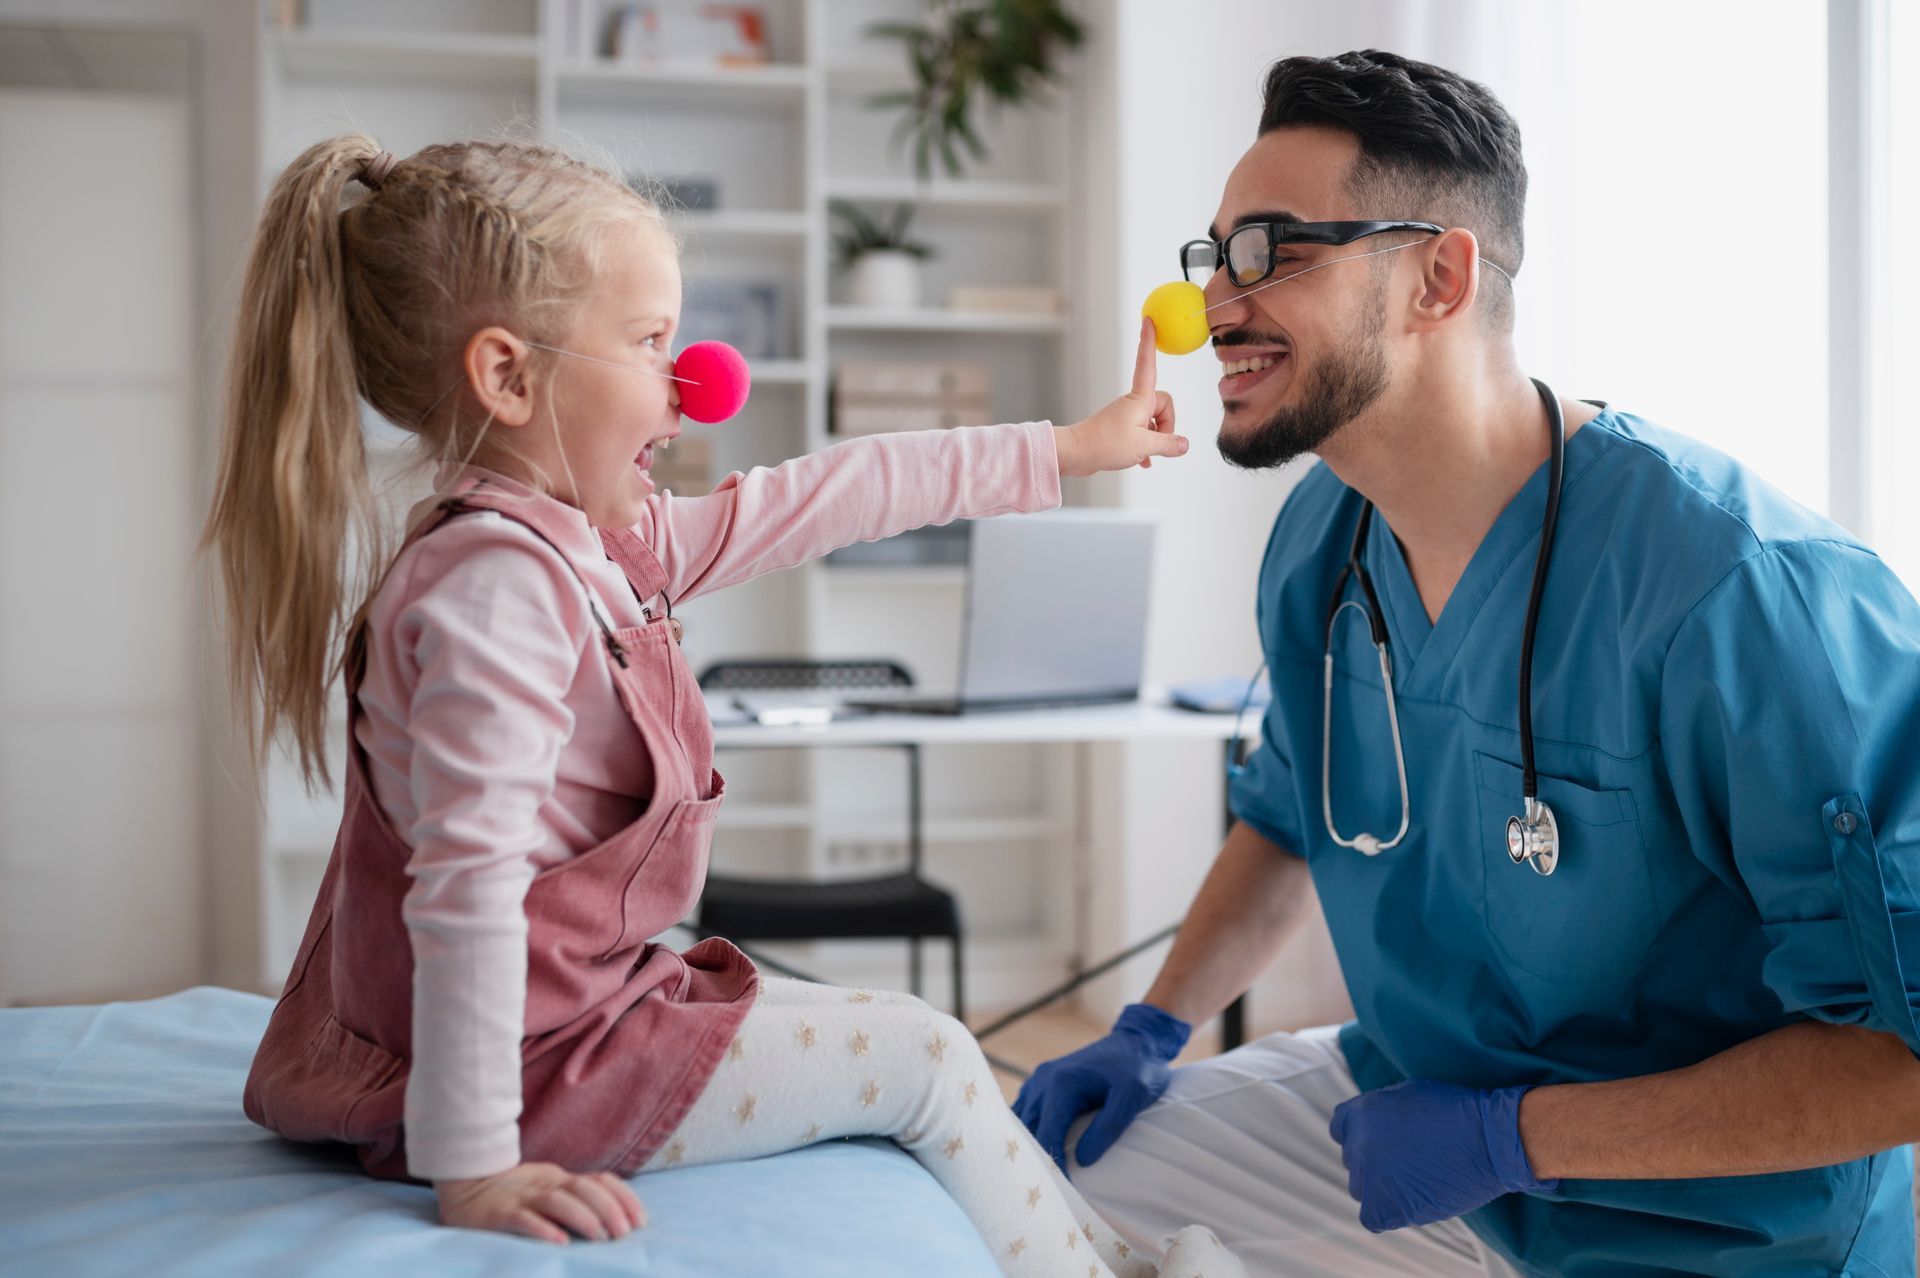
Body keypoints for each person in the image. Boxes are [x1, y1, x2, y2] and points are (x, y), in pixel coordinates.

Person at [206, 132, 1244, 1277]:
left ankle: (1125, 1264)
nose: (692, 379)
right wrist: (474, 1162)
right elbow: (468, 894)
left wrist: (1069, 449)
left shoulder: (599, 548)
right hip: (530, 1071)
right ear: (508, 377)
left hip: (574, 1024)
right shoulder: (495, 588)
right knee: (929, 1057)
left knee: (918, 1044)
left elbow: (836, 493)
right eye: (651, 344)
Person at [1016, 48, 1920, 1278]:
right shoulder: (1323, 544)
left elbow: (1903, 1059)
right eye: (1212, 255)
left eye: (1268, 250)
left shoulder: (1742, 594)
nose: (1207, 309)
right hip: (1414, 1114)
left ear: (1440, 276)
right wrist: (1149, 1027)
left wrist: (1518, 1136)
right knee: (1027, 1193)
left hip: (1704, 1228)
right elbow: (1290, 817)